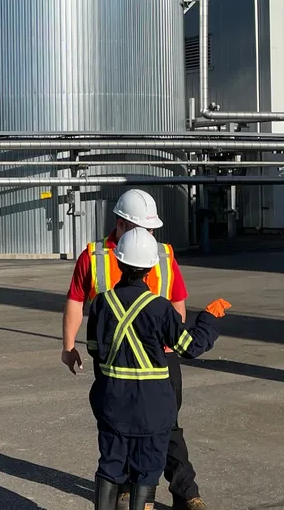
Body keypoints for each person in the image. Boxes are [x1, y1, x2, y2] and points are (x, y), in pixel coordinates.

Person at [61, 189, 209, 510]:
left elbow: (177, 301)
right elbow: (76, 300)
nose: (152, 235)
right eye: (146, 229)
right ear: (122, 223)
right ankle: (138, 489)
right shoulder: (95, 256)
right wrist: (68, 346)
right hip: (116, 361)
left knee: (164, 425)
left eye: (153, 229)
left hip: (159, 357)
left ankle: (185, 492)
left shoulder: (164, 254)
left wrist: (169, 337)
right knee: (135, 428)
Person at [86, 227, 230, 510]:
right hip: (153, 408)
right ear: (152, 267)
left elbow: (94, 348)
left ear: (118, 262)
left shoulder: (102, 303)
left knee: (110, 466)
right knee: (146, 470)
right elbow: (189, 347)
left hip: (113, 403)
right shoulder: (160, 308)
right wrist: (208, 320)